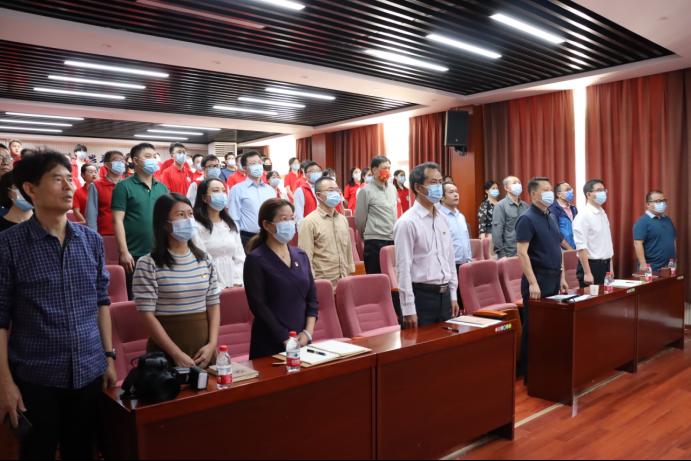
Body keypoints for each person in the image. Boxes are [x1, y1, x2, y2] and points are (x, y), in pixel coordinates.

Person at [0, 150, 116, 459]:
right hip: (36, 376)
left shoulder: (91, 241)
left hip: (89, 370)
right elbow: (0, 319)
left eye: (69, 178)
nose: (68, 187)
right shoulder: (9, 245)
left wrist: (108, 356)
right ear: (30, 189)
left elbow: (102, 302)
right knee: (38, 451)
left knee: (83, 450)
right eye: (56, 179)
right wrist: (5, 383)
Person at [133, 193, 220, 368]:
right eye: (180, 215)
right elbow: (147, 315)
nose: (188, 220)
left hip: (203, 351)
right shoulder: (148, 263)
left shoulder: (205, 259)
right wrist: (175, 354)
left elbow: (213, 304)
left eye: (190, 214)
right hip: (166, 355)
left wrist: (212, 345)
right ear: (165, 224)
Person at [244, 199, 318, 358]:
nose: (290, 223)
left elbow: (312, 298)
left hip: (302, 339)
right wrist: (285, 338)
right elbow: (259, 306)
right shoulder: (256, 259)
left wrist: (308, 332)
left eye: (292, 218)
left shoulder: (301, 255)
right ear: (267, 225)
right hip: (271, 341)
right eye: (284, 219)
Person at [515, 177, 569, 381]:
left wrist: (562, 276)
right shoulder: (527, 219)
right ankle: (529, 372)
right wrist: (533, 282)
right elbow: (522, 253)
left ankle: (546, 368)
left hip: (554, 278)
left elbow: (557, 247)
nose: (550, 193)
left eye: (550, 189)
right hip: (537, 279)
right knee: (534, 327)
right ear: (533, 194)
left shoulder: (551, 216)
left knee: (549, 326)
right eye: (545, 189)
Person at [394, 162, 459, 328]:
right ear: (418, 187)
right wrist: (408, 309)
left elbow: (449, 259)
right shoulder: (407, 222)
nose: (439, 187)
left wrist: (453, 294)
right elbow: (403, 268)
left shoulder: (443, 219)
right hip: (422, 297)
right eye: (433, 182)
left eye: (440, 182)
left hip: (445, 297)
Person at [112, 143, 170, 298]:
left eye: (154, 156)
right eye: (148, 156)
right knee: (137, 299)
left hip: (160, 251)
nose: (153, 160)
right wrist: (124, 252)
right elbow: (117, 220)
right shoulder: (123, 186)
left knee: (162, 296)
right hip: (134, 254)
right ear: (136, 160)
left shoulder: (162, 188)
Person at [298, 177, 355, 289]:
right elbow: (306, 257)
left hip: (345, 281)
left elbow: (348, 250)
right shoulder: (308, 222)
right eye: (330, 190)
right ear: (319, 195)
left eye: (337, 190)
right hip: (323, 283)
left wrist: (350, 274)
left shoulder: (342, 219)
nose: (336, 193)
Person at [193, 179, 245, 288]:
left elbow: (240, 257)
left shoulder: (230, 224)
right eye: (216, 191)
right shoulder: (196, 227)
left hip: (234, 283)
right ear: (204, 198)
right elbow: (199, 261)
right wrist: (216, 285)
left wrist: (237, 280)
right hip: (210, 284)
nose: (221, 195)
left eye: (223, 191)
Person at [355, 156, 397, 274]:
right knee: (376, 276)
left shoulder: (393, 189)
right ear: (374, 170)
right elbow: (360, 220)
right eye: (384, 168)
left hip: (391, 238)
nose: (387, 171)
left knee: (392, 276)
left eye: (389, 168)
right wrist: (367, 236)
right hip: (374, 240)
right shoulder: (365, 191)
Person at [228, 151, 275, 249]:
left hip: (269, 236)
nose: (258, 166)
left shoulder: (270, 189)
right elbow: (234, 218)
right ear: (245, 168)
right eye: (253, 164)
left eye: (259, 163)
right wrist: (237, 241)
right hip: (248, 238)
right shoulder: (237, 189)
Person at [572, 179, 614, 286]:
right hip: (591, 266)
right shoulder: (583, 216)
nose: (603, 193)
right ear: (588, 194)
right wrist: (587, 273)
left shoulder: (603, 213)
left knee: (608, 296)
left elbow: (607, 243)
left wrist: (610, 268)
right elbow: (581, 247)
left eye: (604, 190)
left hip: (605, 265)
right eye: (599, 190)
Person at [633, 190, 676, 271]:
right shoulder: (642, 222)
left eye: (663, 200)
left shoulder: (667, 220)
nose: (662, 203)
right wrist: (643, 264)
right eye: (658, 201)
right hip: (652, 268)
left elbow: (672, 240)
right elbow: (637, 243)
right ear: (648, 204)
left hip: (669, 267)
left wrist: (674, 260)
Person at [86, 150, 126, 236]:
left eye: (122, 161)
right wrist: (93, 236)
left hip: (127, 234)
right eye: (117, 160)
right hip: (105, 234)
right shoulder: (96, 185)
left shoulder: (128, 185)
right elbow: (91, 215)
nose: (121, 163)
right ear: (107, 164)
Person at [439, 182, 473, 273]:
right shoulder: (439, 217)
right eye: (451, 192)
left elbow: (466, 239)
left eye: (456, 191)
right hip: (449, 265)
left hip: (466, 263)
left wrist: (469, 259)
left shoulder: (461, 216)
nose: (455, 194)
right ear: (442, 197)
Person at [491, 176, 528, 258]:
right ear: (506, 188)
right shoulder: (500, 206)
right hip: (509, 253)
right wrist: (501, 254)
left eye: (519, 183)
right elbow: (497, 232)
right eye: (514, 183)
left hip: (526, 252)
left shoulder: (525, 206)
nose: (518, 185)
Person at [549, 181, 577, 250]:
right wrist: (570, 249)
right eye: (567, 190)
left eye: (570, 189)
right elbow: (555, 233)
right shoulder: (552, 210)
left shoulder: (573, 208)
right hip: (561, 250)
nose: (570, 192)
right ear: (559, 194)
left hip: (575, 248)